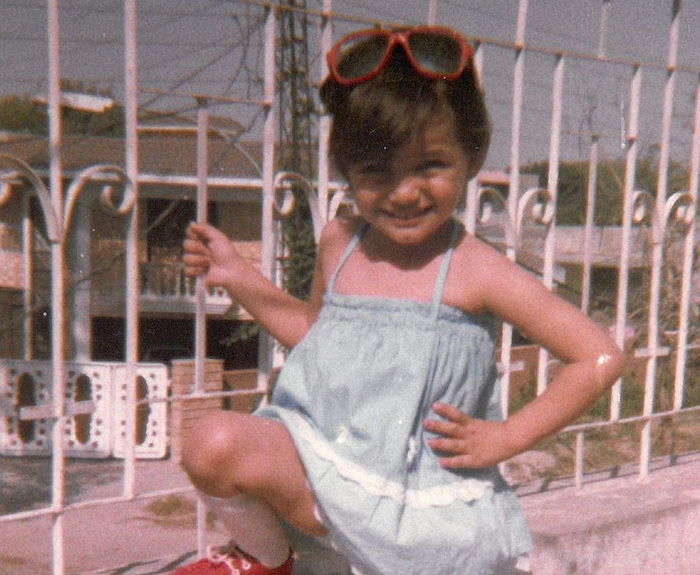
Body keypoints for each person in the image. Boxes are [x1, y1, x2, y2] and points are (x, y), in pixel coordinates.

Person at [174, 25, 626, 575]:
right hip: (328, 479)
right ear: (345, 168)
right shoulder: (340, 242)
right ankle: (266, 561)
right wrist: (238, 276)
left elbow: (598, 354)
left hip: (420, 516)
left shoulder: (475, 269)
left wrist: (506, 438)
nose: (404, 191)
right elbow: (321, 342)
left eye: (430, 165)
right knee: (211, 439)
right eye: (376, 171)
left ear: (472, 154)